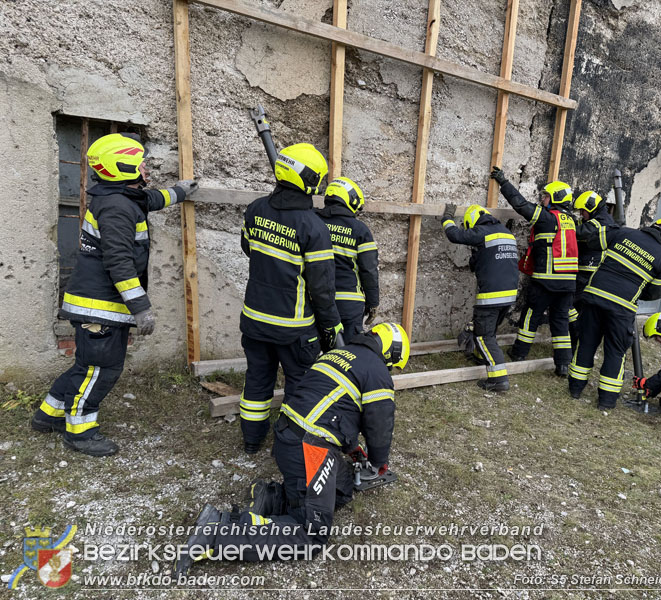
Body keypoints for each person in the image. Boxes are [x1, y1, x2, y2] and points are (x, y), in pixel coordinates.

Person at [173, 323, 409, 576]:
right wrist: (377, 462)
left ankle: (272, 497)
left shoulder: (338, 354)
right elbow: (380, 423)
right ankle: (218, 534)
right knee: (311, 536)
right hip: (312, 447)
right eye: (393, 366)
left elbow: (334, 407)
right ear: (392, 353)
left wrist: (352, 450)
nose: (390, 371)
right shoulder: (377, 372)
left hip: (289, 437)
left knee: (342, 489)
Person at [31, 133, 198, 456]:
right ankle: (79, 431)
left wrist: (178, 192)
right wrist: (141, 308)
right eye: (140, 164)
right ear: (123, 167)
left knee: (84, 366)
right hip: (100, 309)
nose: (146, 169)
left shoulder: (118, 197)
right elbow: (119, 261)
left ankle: (47, 415)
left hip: (92, 303)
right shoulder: (118, 207)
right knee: (101, 370)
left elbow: (148, 200)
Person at [239, 143, 343, 454]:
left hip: (254, 320)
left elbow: (248, 249)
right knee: (299, 385)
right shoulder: (313, 227)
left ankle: (252, 441)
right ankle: (291, 443)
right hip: (293, 328)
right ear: (309, 180)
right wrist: (333, 328)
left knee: (257, 382)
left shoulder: (255, 209)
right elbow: (322, 289)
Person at [568, 217, 661, 409]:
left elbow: (594, 241)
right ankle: (606, 401)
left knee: (586, 343)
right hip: (621, 308)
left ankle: (575, 390)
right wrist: (635, 289)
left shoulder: (624, 233)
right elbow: (656, 292)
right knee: (615, 352)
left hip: (594, 297)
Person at [490, 167, 577, 376]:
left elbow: (520, 204)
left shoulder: (548, 218)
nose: (542, 200)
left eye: (546, 196)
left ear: (554, 198)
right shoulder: (572, 221)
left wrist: (504, 182)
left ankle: (519, 353)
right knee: (560, 322)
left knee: (530, 316)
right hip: (568, 284)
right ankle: (563, 365)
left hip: (546, 280)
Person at [441, 203, 519, 391]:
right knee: (489, 331)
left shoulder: (482, 231)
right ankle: (479, 356)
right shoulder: (506, 233)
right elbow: (490, 260)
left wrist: (447, 218)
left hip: (491, 296)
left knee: (485, 336)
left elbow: (454, 235)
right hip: (509, 295)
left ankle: (498, 379)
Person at [316, 177, 380, 343]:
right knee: (350, 352)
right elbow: (369, 269)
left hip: (317, 300)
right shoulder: (360, 230)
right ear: (351, 201)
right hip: (349, 302)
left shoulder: (313, 221)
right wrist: (373, 302)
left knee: (319, 349)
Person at [569, 191, 619, 351]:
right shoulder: (603, 219)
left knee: (570, 305)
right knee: (577, 308)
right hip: (590, 273)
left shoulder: (600, 222)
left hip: (588, 273)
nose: (582, 215)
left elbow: (579, 232)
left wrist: (564, 224)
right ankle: (575, 342)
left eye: (582, 211)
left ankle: (575, 342)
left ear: (590, 208)